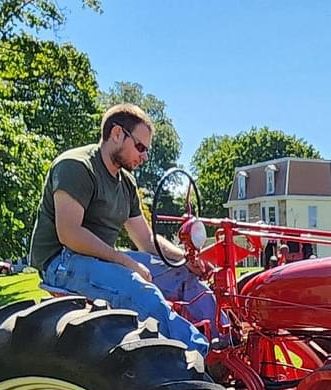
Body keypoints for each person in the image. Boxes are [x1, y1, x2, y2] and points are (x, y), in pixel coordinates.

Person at [28, 103, 217, 356]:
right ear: (117, 134)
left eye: (147, 150)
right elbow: (69, 233)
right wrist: (125, 262)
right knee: (139, 290)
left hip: (101, 259)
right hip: (61, 261)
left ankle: (221, 344)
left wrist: (186, 260)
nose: (145, 156)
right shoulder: (76, 166)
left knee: (184, 277)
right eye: (140, 147)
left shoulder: (126, 182)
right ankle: (199, 359)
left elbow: (146, 239)